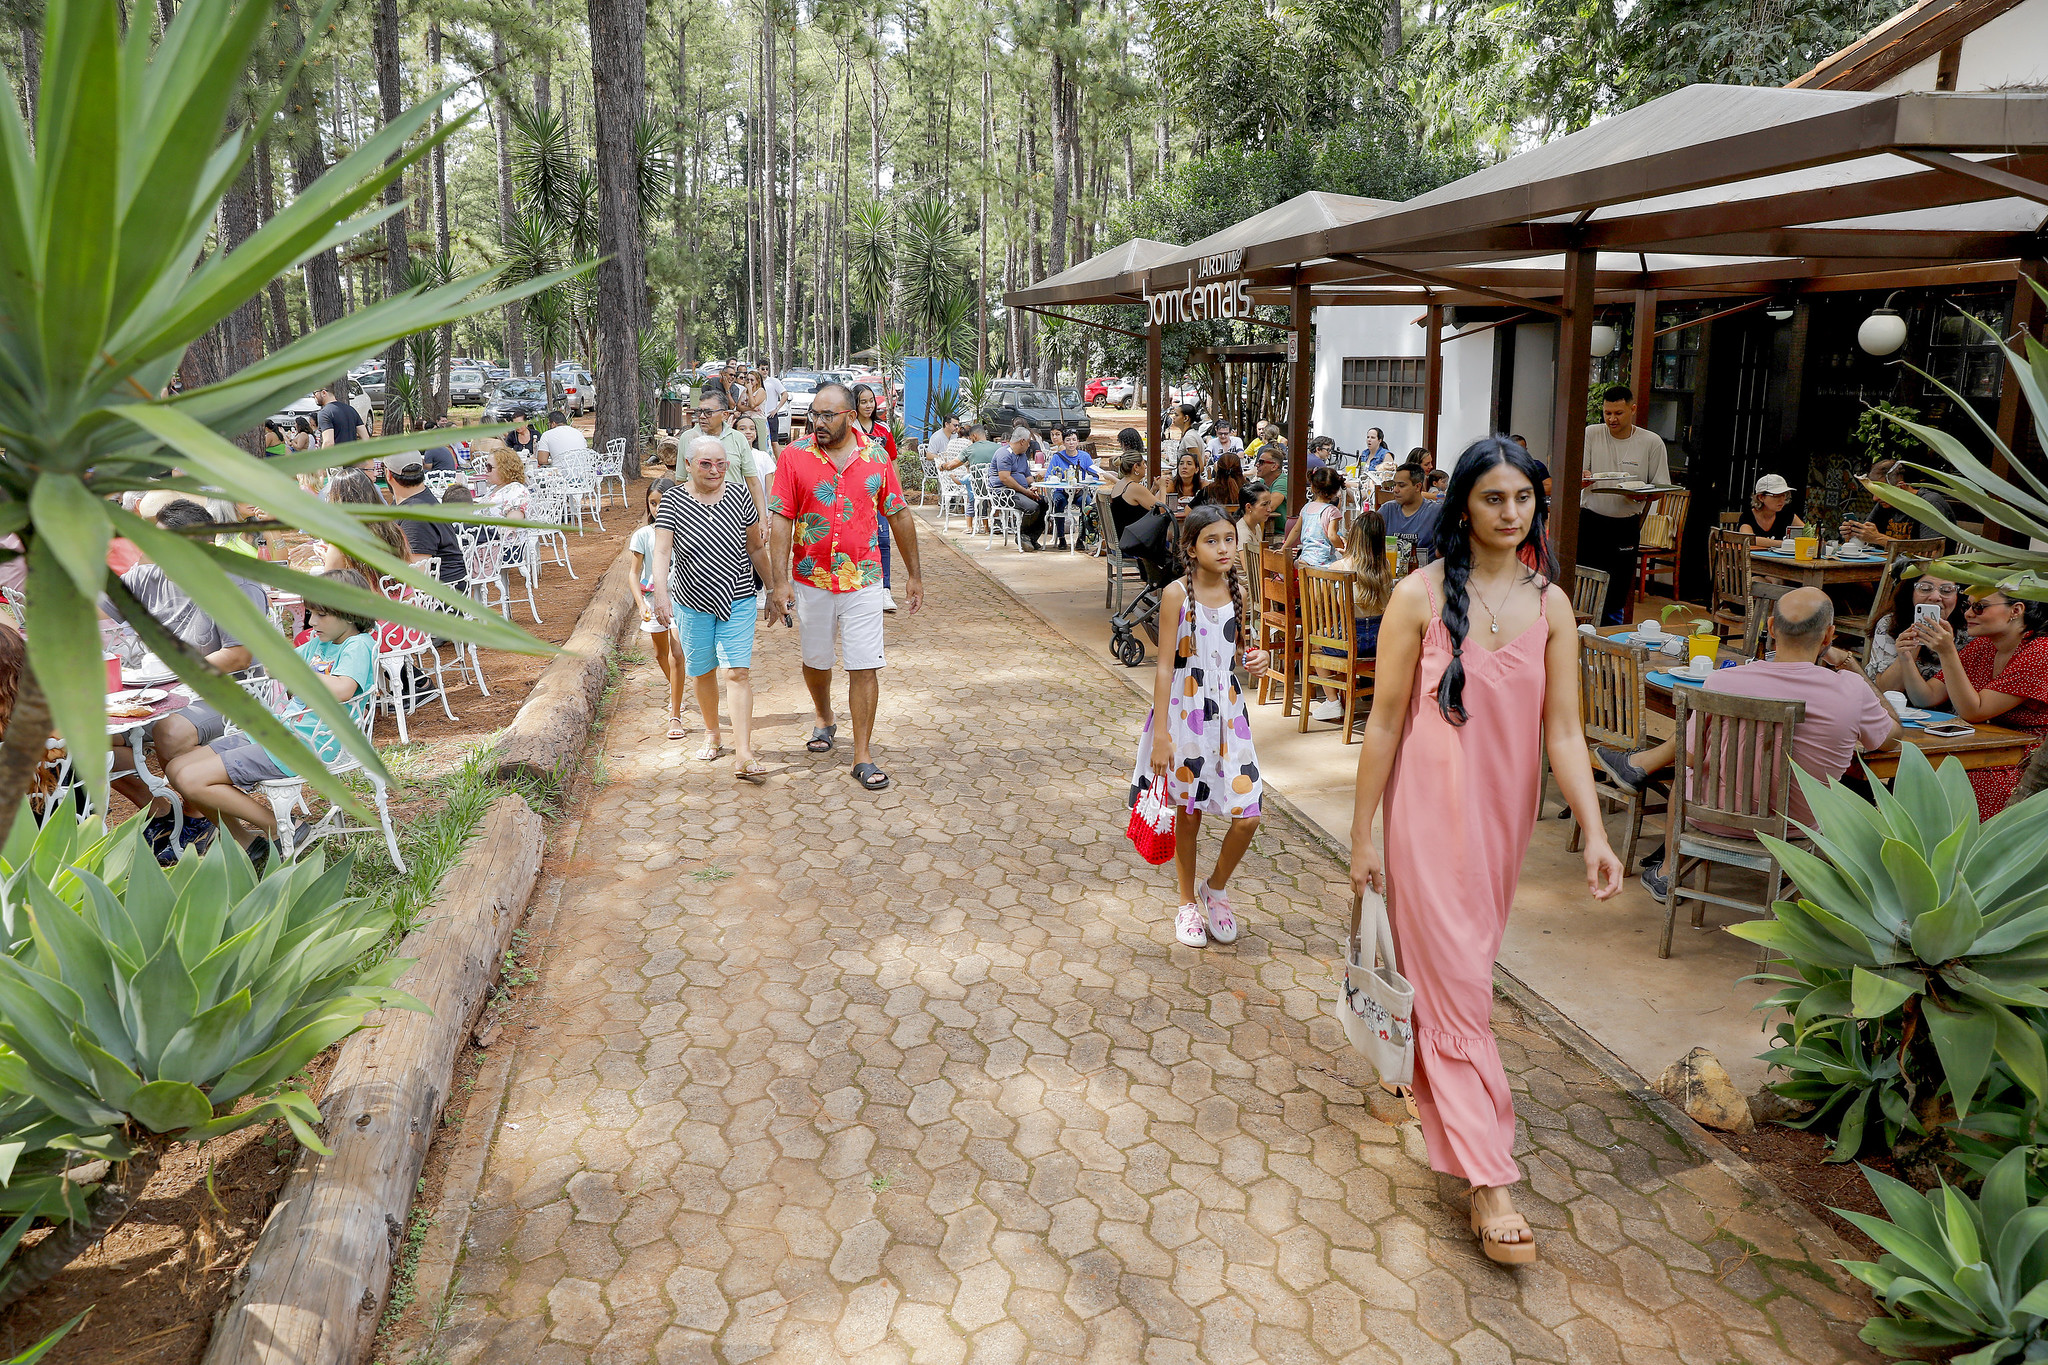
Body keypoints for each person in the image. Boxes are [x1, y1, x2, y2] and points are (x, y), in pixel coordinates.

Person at [1349, 436, 1622, 1266]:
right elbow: (1386, 721)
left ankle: (1427, 1088)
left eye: (1523, 500)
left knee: (1460, 977)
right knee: (1464, 987)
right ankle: (1489, 1178)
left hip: (1500, 826)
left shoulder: (1553, 605)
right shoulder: (1417, 596)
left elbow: (1566, 733)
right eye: (1493, 498)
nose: (1511, 514)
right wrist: (1362, 834)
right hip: (1426, 819)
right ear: (1462, 504)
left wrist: (1598, 834)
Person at [1594, 590, 1900, 895]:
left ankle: (1668, 871)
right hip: (1795, 827)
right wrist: (1855, 668)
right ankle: (1638, 768)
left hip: (1708, 817)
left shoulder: (1724, 681)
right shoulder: (1851, 690)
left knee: (1688, 773)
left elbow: (1689, 757)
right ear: (1829, 634)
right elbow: (1889, 738)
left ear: (1770, 627)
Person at [166, 569, 381, 866]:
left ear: (349, 613)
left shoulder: (357, 645)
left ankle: (283, 830)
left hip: (312, 742)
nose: (311, 622)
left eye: (321, 614)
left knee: (192, 778)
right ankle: (249, 843)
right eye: (310, 613)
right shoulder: (320, 643)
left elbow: (344, 689)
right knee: (177, 768)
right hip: (281, 733)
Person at [767, 382, 922, 792]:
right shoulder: (794, 457)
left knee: (863, 663)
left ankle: (862, 754)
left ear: (851, 417)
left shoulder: (877, 457)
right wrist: (778, 582)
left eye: (826, 415)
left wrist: (914, 575)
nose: (817, 422)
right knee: (816, 660)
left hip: (864, 579)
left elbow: (899, 515)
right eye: (813, 414)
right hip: (811, 577)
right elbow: (781, 517)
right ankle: (823, 717)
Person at [1130, 505, 1272, 949]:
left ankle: (1217, 888)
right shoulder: (1176, 593)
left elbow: (1244, 652)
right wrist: (1160, 734)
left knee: (1247, 814)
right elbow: (1163, 667)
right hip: (1184, 710)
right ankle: (1187, 903)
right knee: (1187, 815)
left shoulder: (1239, 592)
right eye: (1212, 541)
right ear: (1190, 549)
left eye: (1229, 539)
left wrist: (1261, 661)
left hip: (1229, 714)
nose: (1224, 548)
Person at [104, 499, 273, 859]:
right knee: (93, 732)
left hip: (227, 690)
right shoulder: (145, 577)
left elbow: (239, 655)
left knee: (171, 731)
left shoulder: (236, 583)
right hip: (153, 690)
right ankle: (163, 811)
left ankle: (197, 817)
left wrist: (181, 675)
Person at [648, 439, 774, 779]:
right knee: (702, 671)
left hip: (739, 596)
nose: (715, 470)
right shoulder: (673, 500)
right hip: (691, 602)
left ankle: (744, 753)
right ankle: (712, 731)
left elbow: (756, 548)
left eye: (720, 463)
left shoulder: (739, 496)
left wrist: (774, 588)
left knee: (737, 672)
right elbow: (661, 552)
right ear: (688, 465)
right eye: (706, 464)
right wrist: (661, 595)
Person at [1891, 589, 2048, 819]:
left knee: (1952, 783)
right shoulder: (1983, 646)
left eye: (1980, 607)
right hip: (1986, 745)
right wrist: (1906, 657)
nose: (1967, 614)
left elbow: (1975, 710)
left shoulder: (2040, 652)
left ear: (2016, 610)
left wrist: (1947, 651)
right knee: (1913, 771)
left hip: (2026, 758)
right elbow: (1925, 697)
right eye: (1968, 606)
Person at [1577, 387, 1670, 623]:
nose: (1612, 419)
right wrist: (1583, 477)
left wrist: (1645, 495)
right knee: (1585, 583)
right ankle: (1581, 631)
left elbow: (1660, 488)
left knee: (1617, 588)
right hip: (1591, 520)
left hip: (1626, 524)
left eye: (1618, 413)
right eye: (1607, 413)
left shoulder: (1651, 442)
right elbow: (1576, 477)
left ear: (1632, 409)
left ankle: (1610, 636)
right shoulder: (1592, 433)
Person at [1307, 506, 1394, 723]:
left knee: (1316, 640)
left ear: (1353, 536)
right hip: (1379, 641)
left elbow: (1319, 601)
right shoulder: (1385, 566)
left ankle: (1332, 701)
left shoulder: (1339, 566)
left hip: (1348, 638)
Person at [632, 478, 689, 739]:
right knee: (660, 653)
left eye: (662, 502)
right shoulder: (643, 535)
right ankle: (675, 685)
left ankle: (675, 713)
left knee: (677, 652)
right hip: (654, 600)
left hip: (684, 597)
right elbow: (633, 574)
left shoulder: (688, 531)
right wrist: (641, 603)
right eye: (652, 503)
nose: (657, 508)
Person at [1867, 570, 1967, 685]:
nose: (1935, 597)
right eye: (1925, 588)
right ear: (1911, 592)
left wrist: (1948, 650)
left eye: (1947, 590)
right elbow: (1885, 689)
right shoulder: (1890, 623)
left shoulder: (1968, 627)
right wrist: (1908, 653)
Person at [850, 384, 900, 610]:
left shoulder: (883, 429)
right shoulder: (849, 429)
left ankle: (884, 589)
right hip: (855, 496)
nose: (869, 405)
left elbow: (892, 461)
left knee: (883, 541)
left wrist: (896, 493)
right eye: (863, 401)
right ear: (854, 404)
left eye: (871, 400)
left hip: (880, 495)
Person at [389, 455, 468, 590]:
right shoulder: (419, 499)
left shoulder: (414, 514)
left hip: (439, 603)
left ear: (388, 474)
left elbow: (417, 575)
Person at [1841, 458, 1956, 548]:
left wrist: (1878, 538)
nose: (1875, 498)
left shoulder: (1930, 503)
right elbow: (1869, 535)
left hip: (1925, 575)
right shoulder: (1886, 503)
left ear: (1901, 487)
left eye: (1880, 492)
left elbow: (1930, 553)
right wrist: (1856, 533)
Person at [693, 391, 767, 520]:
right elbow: (681, 481)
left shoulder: (738, 439)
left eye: (708, 412)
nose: (702, 417)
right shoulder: (688, 438)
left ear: (724, 415)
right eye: (700, 412)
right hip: (696, 514)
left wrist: (762, 518)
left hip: (732, 514)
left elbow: (753, 483)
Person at [993, 426, 1051, 551]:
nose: (1029, 445)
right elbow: (1005, 478)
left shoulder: (1022, 456)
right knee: (1032, 507)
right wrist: (1026, 492)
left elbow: (1028, 475)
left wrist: (1033, 486)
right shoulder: (1004, 454)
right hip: (1005, 492)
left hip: (1021, 491)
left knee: (1046, 503)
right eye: (1029, 442)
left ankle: (1031, 537)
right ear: (1022, 441)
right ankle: (1021, 536)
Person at [1044, 431, 1100, 551]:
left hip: (1080, 491)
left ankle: (1081, 538)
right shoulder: (1057, 457)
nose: (1071, 443)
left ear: (1078, 442)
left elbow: (1095, 475)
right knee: (1058, 502)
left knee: (1086, 504)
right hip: (1062, 491)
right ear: (1064, 442)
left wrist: (1083, 483)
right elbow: (1048, 476)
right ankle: (1061, 538)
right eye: (1068, 440)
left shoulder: (1085, 456)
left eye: (1074, 440)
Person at [1379, 462, 1442, 568]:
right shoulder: (1387, 510)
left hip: (1425, 578)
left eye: (1401, 485)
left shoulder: (1436, 513)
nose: (1395, 490)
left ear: (1418, 487)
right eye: (1395, 485)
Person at [1284, 465, 1345, 567]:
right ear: (1336, 491)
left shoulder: (1306, 507)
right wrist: (1345, 551)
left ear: (1312, 487)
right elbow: (1332, 536)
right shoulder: (1332, 511)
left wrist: (1284, 547)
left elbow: (1295, 530)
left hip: (1305, 560)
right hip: (1323, 564)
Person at [1738, 473, 1805, 544]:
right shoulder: (1748, 516)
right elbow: (1748, 539)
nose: (1782, 500)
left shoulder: (1787, 515)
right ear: (1761, 497)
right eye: (1776, 496)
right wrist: (1783, 544)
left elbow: (1808, 534)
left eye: (1784, 495)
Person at [482, 448, 530, 521]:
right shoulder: (495, 487)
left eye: (489, 467)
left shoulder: (516, 490)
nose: (485, 470)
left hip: (492, 531)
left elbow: (513, 522)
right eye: (486, 466)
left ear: (504, 469)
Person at [747, 364, 788, 447]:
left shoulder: (774, 381)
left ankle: (779, 460)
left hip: (770, 416)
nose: (765, 371)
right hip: (754, 417)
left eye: (767, 369)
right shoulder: (752, 384)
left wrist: (777, 409)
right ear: (758, 369)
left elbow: (785, 395)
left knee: (774, 442)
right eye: (763, 369)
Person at [316, 380, 363, 447]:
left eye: (314, 393)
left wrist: (322, 457)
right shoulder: (351, 410)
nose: (313, 396)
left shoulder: (324, 413)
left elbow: (328, 442)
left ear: (324, 393)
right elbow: (365, 438)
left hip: (337, 456)